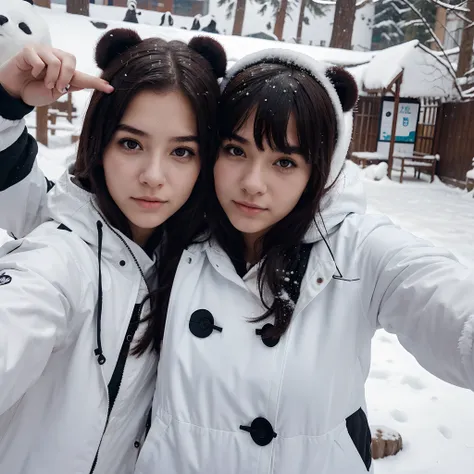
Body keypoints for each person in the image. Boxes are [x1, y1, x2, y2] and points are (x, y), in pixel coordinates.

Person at [1, 46, 474, 474]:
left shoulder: (357, 251)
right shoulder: (174, 238)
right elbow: (56, 240)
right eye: (235, 150)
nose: (252, 182)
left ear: (320, 169)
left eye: (285, 162)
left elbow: (440, 296)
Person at [0, 28, 225, 473]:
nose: (153, 175)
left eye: (182, 151)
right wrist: (5, 107)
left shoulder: (200, 265)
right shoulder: (61, 258)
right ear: (99, 143)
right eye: (130, 143)